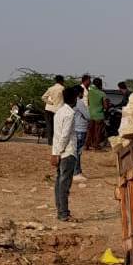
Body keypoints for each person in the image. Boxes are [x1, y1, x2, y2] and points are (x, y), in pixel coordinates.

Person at [51, 86, 79, 222]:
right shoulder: (69, 113)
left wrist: (55, 152)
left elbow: (56, 135)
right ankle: (63, 213)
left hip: (59, 152)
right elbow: (65, 135)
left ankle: (60, 211)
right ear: (74, 98)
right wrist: (58, 152)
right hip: (67, 152)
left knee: (59, 182)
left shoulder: (59, 112)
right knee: (64, 184)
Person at [41, 75, 65, 146]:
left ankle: (50, 142)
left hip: (49, 109)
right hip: (58, 110)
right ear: (61, 81)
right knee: (57, 126)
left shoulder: (51, 88)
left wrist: (50, 102)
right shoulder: (62, 88)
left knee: (49, 126)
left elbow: (43, 97)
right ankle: (56, 142)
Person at [86, 77, 109, 149]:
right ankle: (96, 145)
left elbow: (89, 103)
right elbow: (105, 106)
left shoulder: (90, 92)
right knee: (98, 132)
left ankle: (87, 145)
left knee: (90, 131)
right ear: (100, 84)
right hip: (99, 115)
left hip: (90, 114)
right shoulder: (102, 93)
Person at [73, 85, 90, 182]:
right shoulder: (79, 102)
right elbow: (87, 115)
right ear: (80, 93)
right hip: (80, 128)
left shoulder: (71, 102)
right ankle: (77, 172)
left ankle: (75, 171)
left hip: (74, 127)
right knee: (78, 151)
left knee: (74, 150)